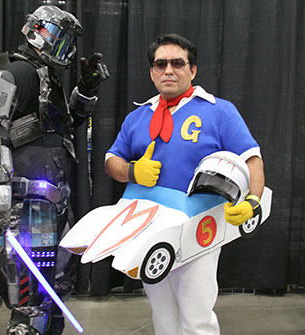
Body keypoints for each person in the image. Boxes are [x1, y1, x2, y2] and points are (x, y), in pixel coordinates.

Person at [105, 33, 264, 335]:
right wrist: (133, 171)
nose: (168, 70)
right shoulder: (138, 117)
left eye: (178, 63)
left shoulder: (219, 111)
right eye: (160, 64)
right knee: (162, 313)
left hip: (198, 227)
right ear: (152, 72)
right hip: (147, 227)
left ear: (192, 70)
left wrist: (253, 201)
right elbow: (111, 161)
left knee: (196, 315)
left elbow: (252, 159)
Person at [0, 5, 109, 335]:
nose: (64, 48)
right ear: (37, 31)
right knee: (29, 305)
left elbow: (64, 127)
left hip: (51, 204)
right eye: (59, 37)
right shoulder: (18, 73)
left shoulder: (46, 79)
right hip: (28, 210)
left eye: (68, 41)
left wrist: (86, 89)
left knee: (53, 297)